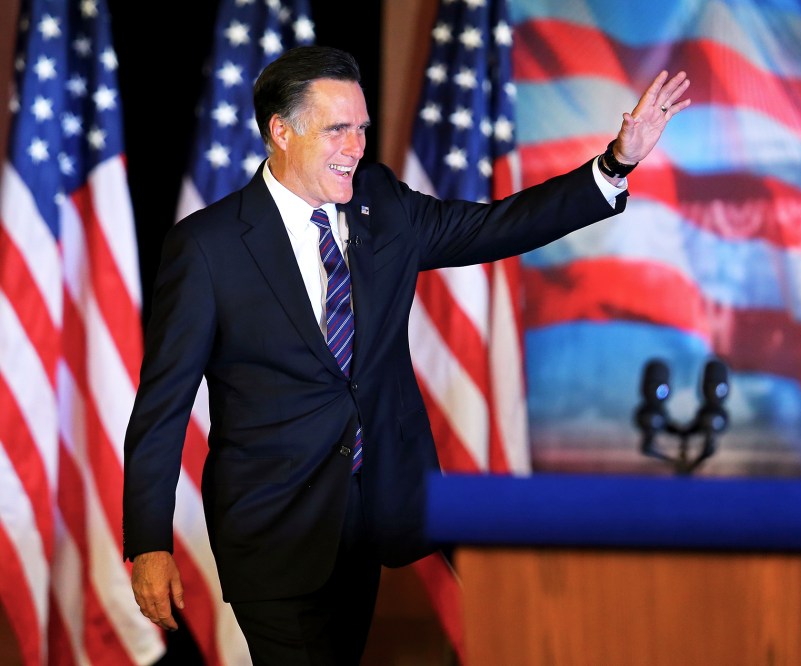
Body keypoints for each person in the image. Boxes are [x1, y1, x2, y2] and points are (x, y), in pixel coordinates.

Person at [123, 45, 691, 664]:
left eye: (362, 128)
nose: (356, 146)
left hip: (371, 517)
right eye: (337, 129)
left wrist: (614, 164)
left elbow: (498, 226)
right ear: (280, 132)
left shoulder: (382, 206)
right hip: (274, 528)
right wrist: (149, 542)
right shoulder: (207, 247)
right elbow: (163, 408)